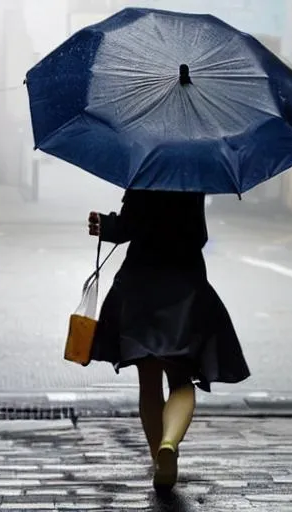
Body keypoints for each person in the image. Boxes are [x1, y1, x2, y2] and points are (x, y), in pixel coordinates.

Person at [87, 189, 250, 493]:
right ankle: (169, 444)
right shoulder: (193, 179)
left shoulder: (145, 175)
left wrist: (104, 225)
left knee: (148, 383)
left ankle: (159, 463)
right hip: (184, 286)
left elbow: (127, 228)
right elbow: (199, 236)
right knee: (181, 381)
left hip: (139, 284)